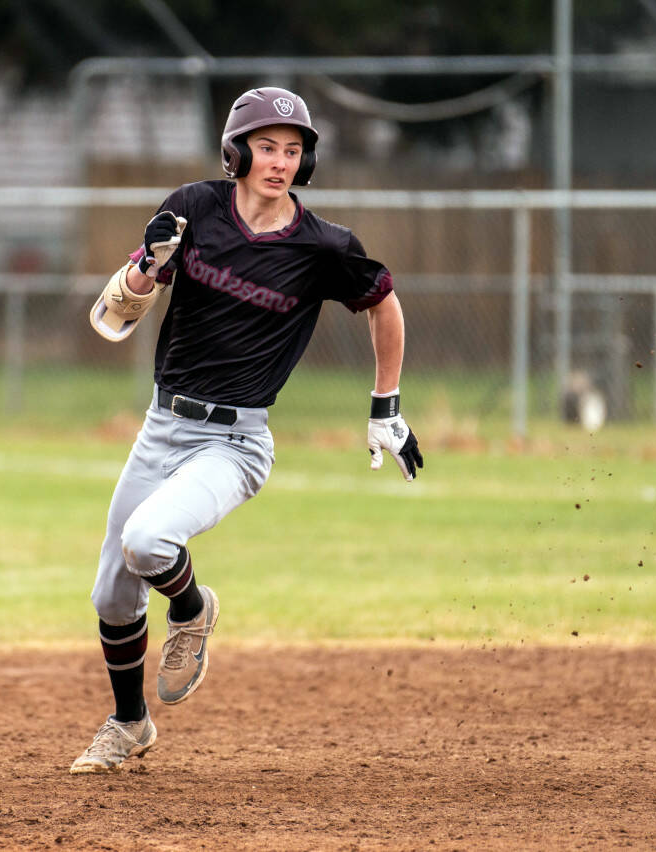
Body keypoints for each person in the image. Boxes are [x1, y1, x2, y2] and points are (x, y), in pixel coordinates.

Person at [71, 86, 424, 774]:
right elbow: (114, 317)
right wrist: (149, 266)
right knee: (111, 592)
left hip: (235, 443)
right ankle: (129, 723)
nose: (280, 161)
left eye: (293, 151)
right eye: (267, 147)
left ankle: (193, 609)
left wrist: (386, 405)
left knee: (149, 541)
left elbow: (385, 306)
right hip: (163, 424)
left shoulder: (323, 246)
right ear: (236, 150)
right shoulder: (193, 208)